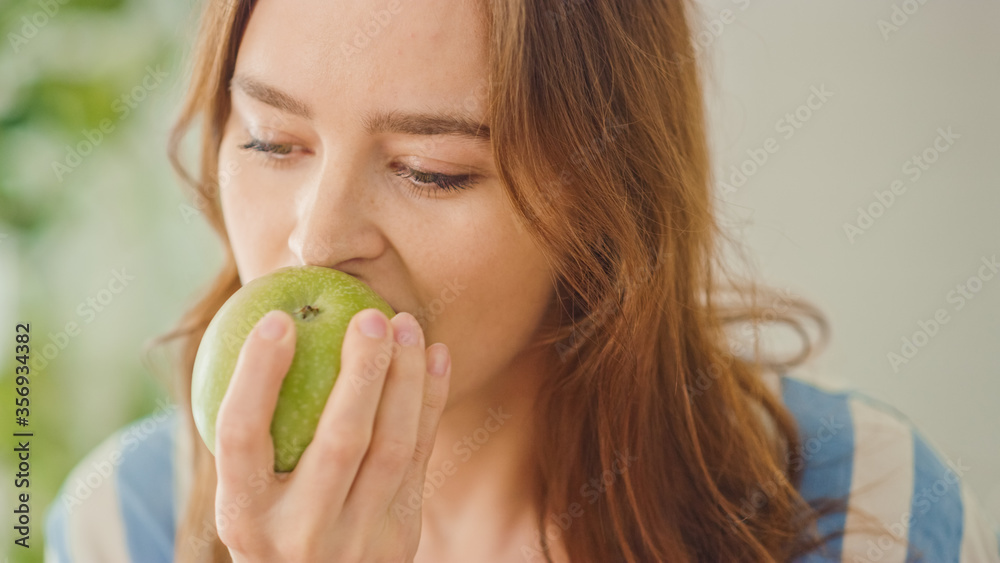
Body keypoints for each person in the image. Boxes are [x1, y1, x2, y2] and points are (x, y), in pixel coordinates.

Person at [44, 0, 1000, 561]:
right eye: (271, 141)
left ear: (602, 199)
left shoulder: (865, 499)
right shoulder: (117, 525)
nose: (317, 242)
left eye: (432, 168)